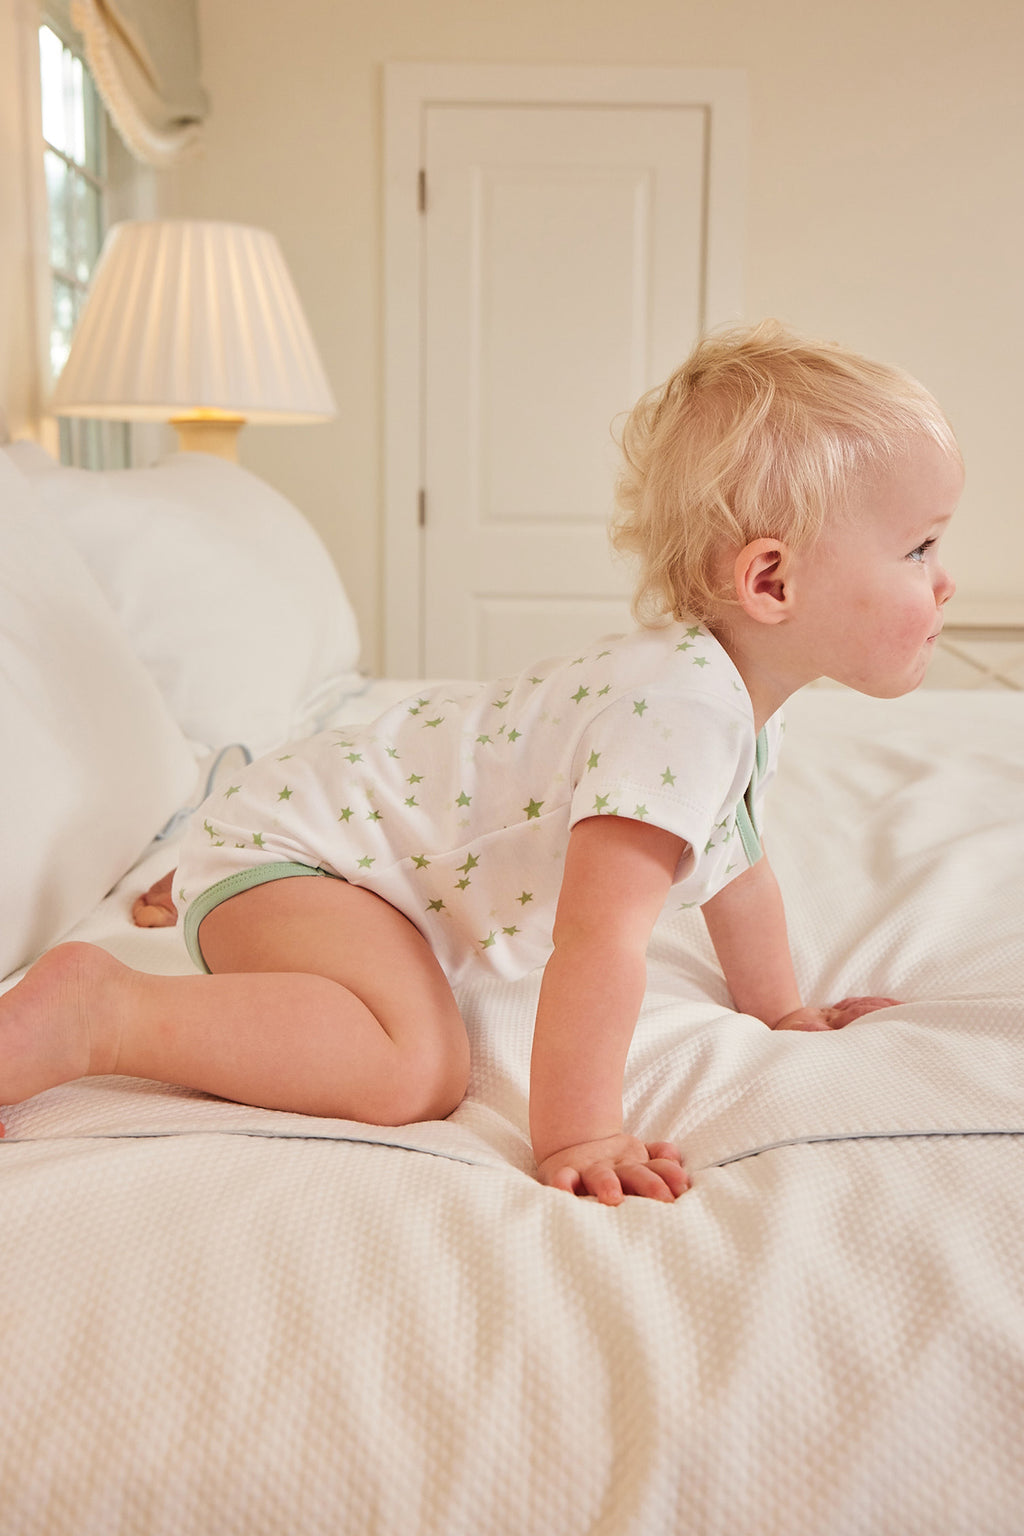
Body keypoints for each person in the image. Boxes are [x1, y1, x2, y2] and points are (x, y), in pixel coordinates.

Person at [0, 320, 962, 1204]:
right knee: (414, 1067)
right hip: (300, 856)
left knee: (386, 1007)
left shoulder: (732, 704)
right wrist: (580, 1134)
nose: (946, 577)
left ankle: (223, 882)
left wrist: (783, 1011)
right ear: (771, 580)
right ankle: (102, 1012)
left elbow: (737, 869)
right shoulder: (676, 713)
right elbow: (599, 947)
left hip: (312, 831)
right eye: (918, 547)